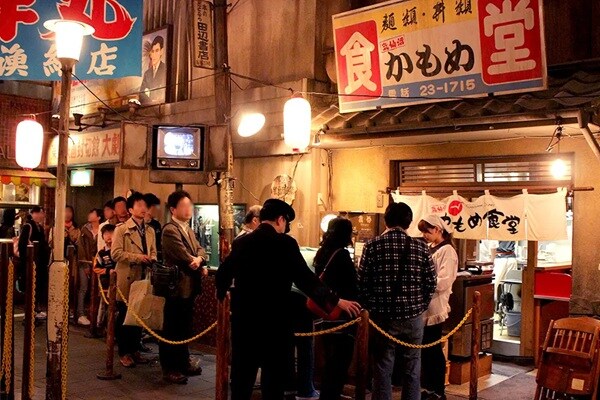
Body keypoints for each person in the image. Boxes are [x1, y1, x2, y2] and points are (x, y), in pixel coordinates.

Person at [216, 198, 361, 400]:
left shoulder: (242, 242)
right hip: (275, 324)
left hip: (245, 323)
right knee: (273, 382)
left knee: (242, 378)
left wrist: (224, 296)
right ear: (280, 219)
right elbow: (306, 279)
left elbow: (222, 276)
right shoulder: (286, 244)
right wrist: (336, 301)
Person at [358, 202, 436, 400]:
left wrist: (372, 306)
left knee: (382, 367)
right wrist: (420, 306)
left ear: (386, 220)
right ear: (409, 223)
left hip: (383, 317)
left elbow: (362, 282)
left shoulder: (372, 246)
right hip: (413, 317)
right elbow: (431, 282)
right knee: (412, 366)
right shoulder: (421, 247)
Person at [160, 190, 207, 384]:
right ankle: (170, 368)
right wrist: (195, 261)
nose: (189, 209)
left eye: (190, 205)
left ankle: (182, 362)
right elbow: (182, 254)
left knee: (184, 326)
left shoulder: (188, 229)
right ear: (173, 209)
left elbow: (201, 250)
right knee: (172, 327)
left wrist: (200, 259)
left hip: (189, 286)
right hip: (176, 287)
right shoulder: (170, 230)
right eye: (184, 205)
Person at [314, 217, 358, 400]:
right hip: (342, 314)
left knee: (329, 359)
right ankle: (331, 395)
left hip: (325, 312)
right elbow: (351, 285)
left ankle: (327, 394)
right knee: (340, 360)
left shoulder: (322, 252)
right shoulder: (342, 255)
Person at [111, 192, 157, 368]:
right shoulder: (121, 229)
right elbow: (116, 254)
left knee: (140, 315)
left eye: (144, 205)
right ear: (130, 210)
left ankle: (135, 349)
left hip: (144, 277)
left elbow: (153, 251)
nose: (143, 208)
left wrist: (152, 258)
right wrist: (139, 258)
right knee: (125, 315)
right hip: (127, 277)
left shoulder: (150, 230)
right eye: (139, 205)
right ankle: (124, 352)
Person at [417, 215, 458, 400]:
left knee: (433, 348)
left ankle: (438, 390)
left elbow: (445, 280)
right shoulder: (429, 248)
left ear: (438, 229)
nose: (424, 235)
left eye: (427, 231)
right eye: (423, 231)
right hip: (425, 304)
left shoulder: (447, 250)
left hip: (435, 305)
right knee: (426, 349)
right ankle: (428, 387)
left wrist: (423, 283)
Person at [18, 206, 51, 320]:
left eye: (42, 213)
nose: (42, 215)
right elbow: (22, 245)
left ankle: (35, 309)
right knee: (31, 287)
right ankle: (29, 312)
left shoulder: (39, 227)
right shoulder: (28, 226)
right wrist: (27, 260)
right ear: (33, 214)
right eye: (40, 213)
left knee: (37, 287)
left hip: (39, 263)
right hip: (30, 262)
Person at [76, 208, 102, 326]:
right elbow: (80, 247)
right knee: (83, 288)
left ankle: (95, 314)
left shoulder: (103, 229)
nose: (89, 215)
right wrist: (85, 264)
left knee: (97, 289)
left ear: (98, 217)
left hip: (98, 263)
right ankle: (81, 314)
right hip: (85, 262)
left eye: (92, 213)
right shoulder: (84, 229)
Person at [93, 224, 116, 328]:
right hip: (105, 283)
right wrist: (107, 271)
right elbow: (96, 268)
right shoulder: (101, 253)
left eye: (111, 233)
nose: (109, 236)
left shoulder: (118, 250)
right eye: (106, 234)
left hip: (118, 283)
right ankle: (100, 325)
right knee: (103, 304)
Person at [139, 35, 166, 104]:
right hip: (150, 106)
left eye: (157, 51)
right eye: (152, 51)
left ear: (161, 51)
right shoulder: (147, 73)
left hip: (162, 104)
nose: (154, 55)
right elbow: (141, 93)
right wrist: (150, 101)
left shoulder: (165, 69)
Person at [143, 193, 163, 261]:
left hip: (154, 258)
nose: (157, 211)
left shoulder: (156, 224)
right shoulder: (139, 224)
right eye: (156, 208)